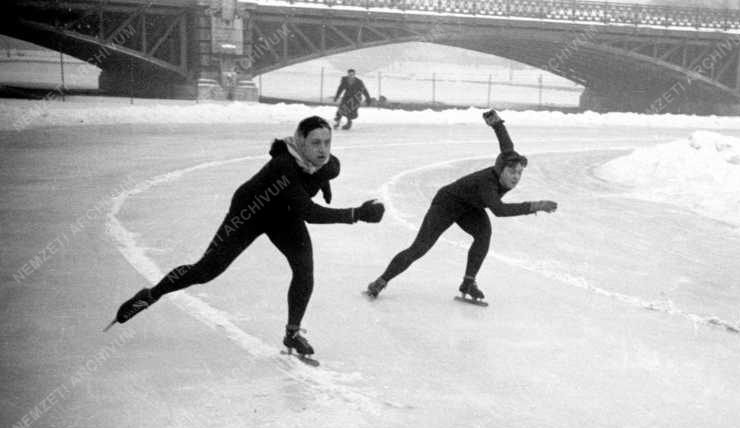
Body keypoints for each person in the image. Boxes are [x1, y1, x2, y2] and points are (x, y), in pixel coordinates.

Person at [108, 116, 385, 358]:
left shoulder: (328, 164)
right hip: (250, 213)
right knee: (206, 271)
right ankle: (150, 295)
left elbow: (329, 169)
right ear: (300, 143)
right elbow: (309, 213)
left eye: (327, 142)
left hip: (284, 216)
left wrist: (322, 182)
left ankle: (292, 333)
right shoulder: (284, 166)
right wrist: (356, 214)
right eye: (315, 143)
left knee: (304, 271)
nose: (323, 150)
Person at [364, 110, 557, 304]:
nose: (516, 177)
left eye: (520, 173)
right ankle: (381, 281)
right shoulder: (488, 184)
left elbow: (506, 144)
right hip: (447, 203)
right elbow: (499, 210)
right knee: (420, 248)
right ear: (500, 170)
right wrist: (534, 206)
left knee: (484, 235)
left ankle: (468, 282)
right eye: (512, 172)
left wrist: (497, 124)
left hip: (470, 207)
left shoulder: (507, 159)